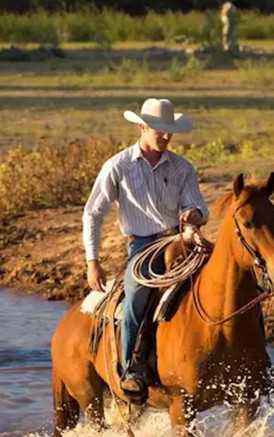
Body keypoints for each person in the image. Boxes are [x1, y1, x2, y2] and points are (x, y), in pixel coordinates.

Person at [83, 98, 208, 395]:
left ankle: (258, 362)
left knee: (234, 278)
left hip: (181, 240)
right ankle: (132, 369)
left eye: (169, 131)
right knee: (136, 298)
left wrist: (195, 214)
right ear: (142, 127)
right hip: (142, 247)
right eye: (159, 131)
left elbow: (199, 206)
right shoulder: (118, 166)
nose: (166, 136)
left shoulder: (182, 167)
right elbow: (93, 213)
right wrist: (92, 261)